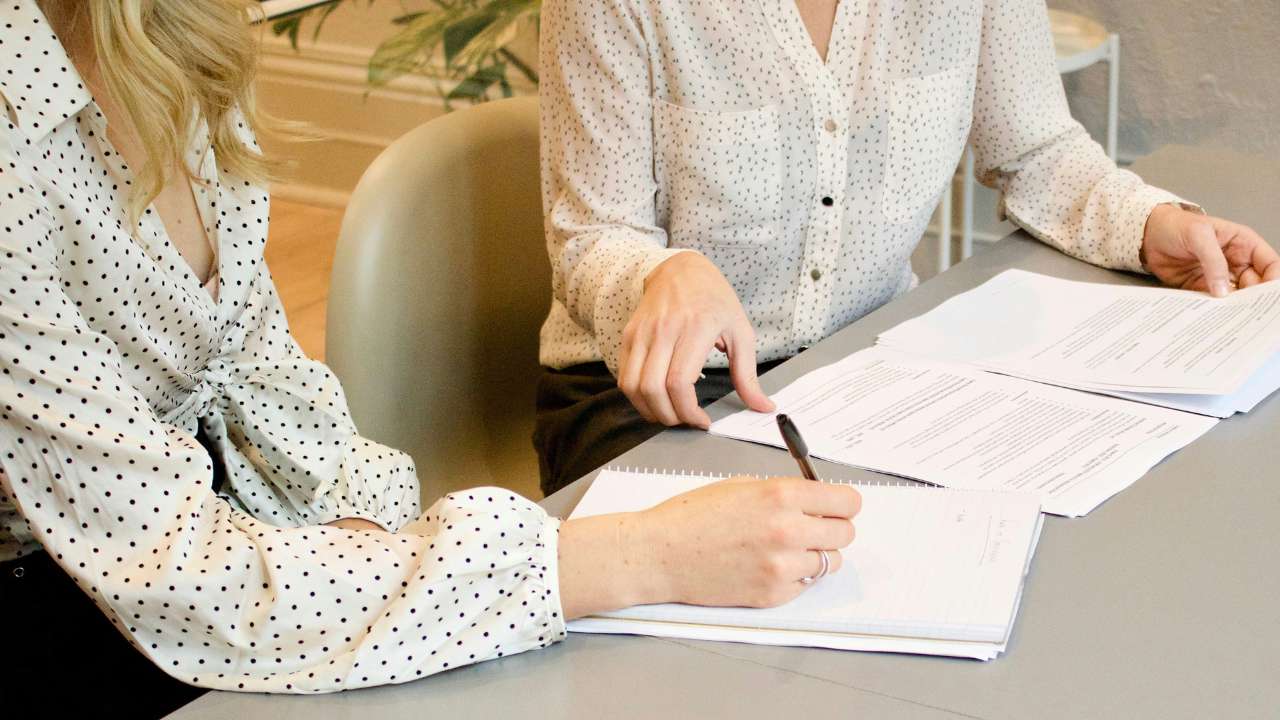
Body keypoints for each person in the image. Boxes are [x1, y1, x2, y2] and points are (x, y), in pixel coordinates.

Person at [0, 1, 861, 716]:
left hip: (220, 543)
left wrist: (368, 532)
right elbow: (188, 577)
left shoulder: (177, 40)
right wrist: (641, 557)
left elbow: (260, 375)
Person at [532, 0, 1280, 495]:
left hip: (866, 375)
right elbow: (591, 234)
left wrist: (1150, 224)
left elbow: (1036, 149)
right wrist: (664, 274)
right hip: (651, 399)